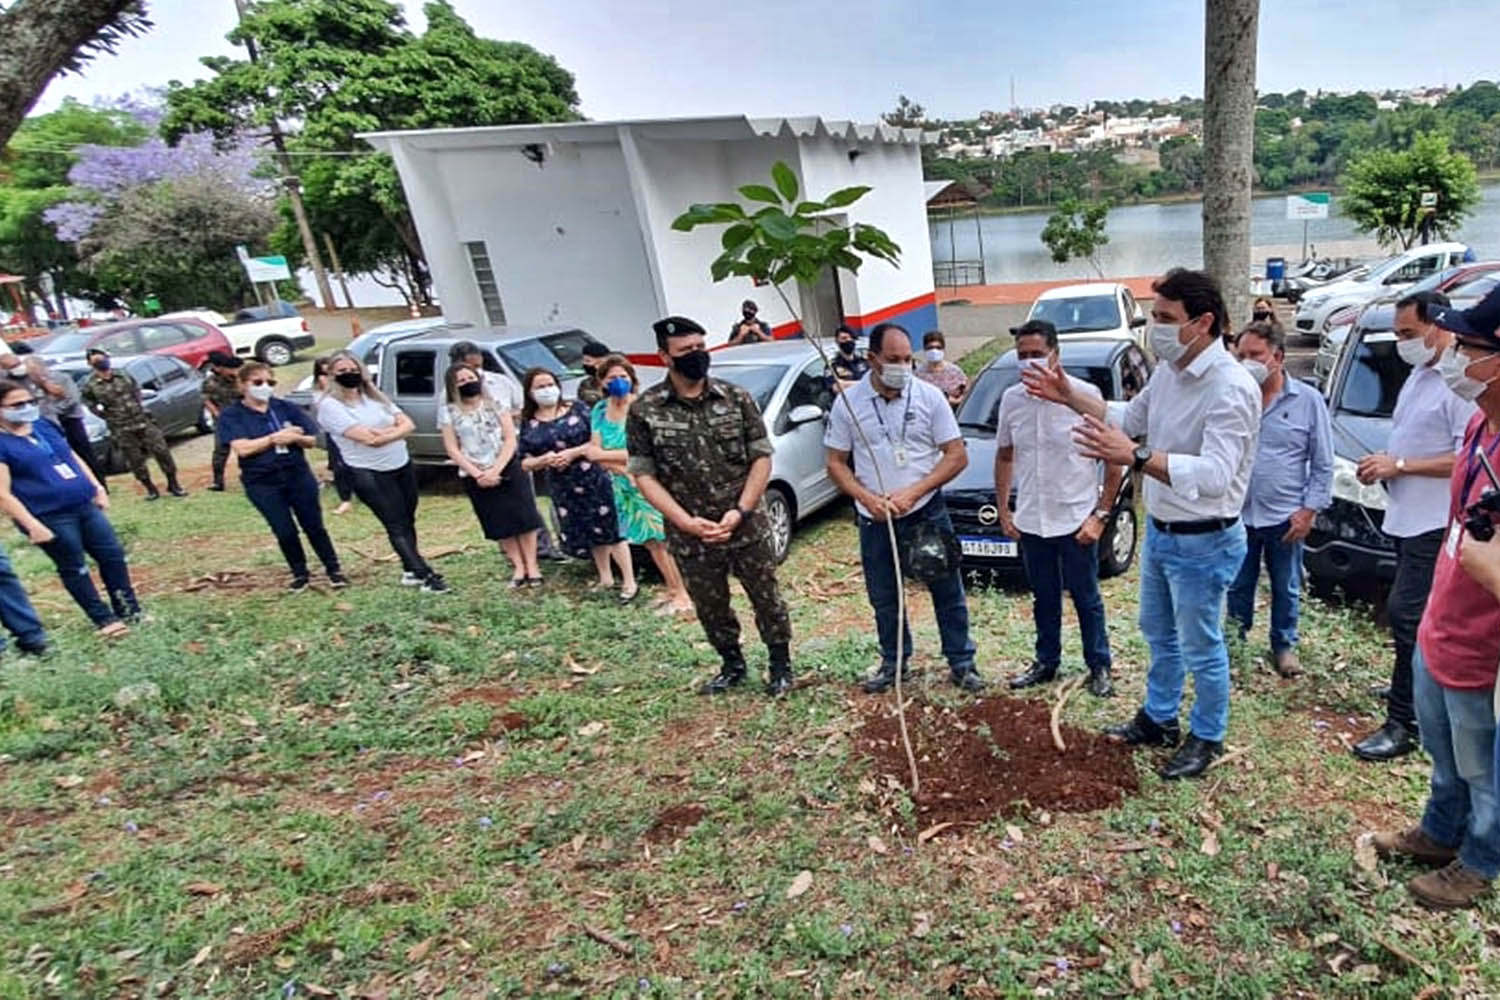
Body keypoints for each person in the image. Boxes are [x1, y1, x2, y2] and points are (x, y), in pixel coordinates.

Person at [1024, 268, 1260, 780]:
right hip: (1163, 533)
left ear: (1203, 322)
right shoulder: (1171, 372)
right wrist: (1068, 393)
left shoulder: (1231, 388)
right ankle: (1158, 717)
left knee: (1201, 643)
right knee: (1158, 632)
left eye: (1165, 318)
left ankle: (1207, 735)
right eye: (1153, 316)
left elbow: (1217, 475)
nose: (1154, 327)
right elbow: (1127, 416)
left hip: (1207, 539)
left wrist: (1136, 456)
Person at [1372, 284, 1500, 910]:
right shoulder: (1481, 424)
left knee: (1487, 765)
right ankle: (1440, 829)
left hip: (1486, 646)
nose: (1455, 357)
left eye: (1470, 347)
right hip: (1445, 621)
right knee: (1444, 747)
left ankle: (1480, 859)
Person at [627, 316, 794, 696]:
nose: (696, 356)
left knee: (766, 596)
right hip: (691, 531)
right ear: (664, 356)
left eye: (701, 348)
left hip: (745, 523)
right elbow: (644, 474)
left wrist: (741, 510)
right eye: (686, 351)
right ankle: (732, 664)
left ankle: (780, 665)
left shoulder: (736, 398)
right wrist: (685, 521)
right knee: (710, 603)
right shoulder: (646, 409)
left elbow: (762, 458)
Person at [826, 322, 986, 694]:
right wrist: (867, 498)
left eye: (907, 359)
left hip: (925, 511)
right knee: (884, 595)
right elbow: (835, 462)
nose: (902, 366)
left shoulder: (929, 397)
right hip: (874, 517)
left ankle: (962, 663)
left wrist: (915, 492)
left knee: (947, 590)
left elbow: (956, 455)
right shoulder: (849, 403)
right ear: (872, 359)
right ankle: (894, 663)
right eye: (893, 359)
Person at [1351, 290, 1476, 762]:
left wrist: (1399, 465)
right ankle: (1414, 696)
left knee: (1409, 616)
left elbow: (1465, 459)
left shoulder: (1459, 384)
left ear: (1440, 326)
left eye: (1409, 333)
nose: (1402, 342)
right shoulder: (1421, 375)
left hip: (1435, 523)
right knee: (1410, 618)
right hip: (1407, 519)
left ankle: (1406, 721)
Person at [996, 319, 1118, 698]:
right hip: (1033, 519)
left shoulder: (1085, 398)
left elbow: (1115, 460)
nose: (1029, 362)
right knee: (1044, 597)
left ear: (1056, 356)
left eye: (1037, 354)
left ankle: (1099, 666)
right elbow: (1004, 454)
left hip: (1076, 519)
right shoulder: (1011, 400)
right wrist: (1004, 509)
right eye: (1023, 356)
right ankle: (1046, 662)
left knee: (1086, 597)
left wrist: (1100, 514)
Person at [1226, 321, 1333, 678]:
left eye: (1255, 355)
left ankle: (1284, 646)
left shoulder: (1307, 402)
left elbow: (1322, 462)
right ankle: (1234, 642)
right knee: (1237, 582)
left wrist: (1309, 510)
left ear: (1278, 357)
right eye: (1240, 355)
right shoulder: (1233, 397)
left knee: (1286, 584)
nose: (1246, 362)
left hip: (1285, 517)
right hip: (1239, 514)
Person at [0, 377, 138, 639]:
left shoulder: (43, 426)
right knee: (74, 566)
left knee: (112, 556)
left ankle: (129, 610)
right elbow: (2, 493)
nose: (26, 407)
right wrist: (32, 526)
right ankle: (103, 619)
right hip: (49, 515)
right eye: (16, 405)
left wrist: (96, 487)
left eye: (30, 401)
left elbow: (71, 456)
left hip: (83, 505)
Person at [316, 351, 448, 593]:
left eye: (353, 369)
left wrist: (385, 434)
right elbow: (366, 439)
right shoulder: (330, 406)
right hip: (369, 472)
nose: (349, 375)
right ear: (331, 375)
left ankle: (409, 569)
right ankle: (425, 574)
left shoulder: (375, 397)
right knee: (395, 524)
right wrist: (391, 432)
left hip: (400, 463)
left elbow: (408, 424)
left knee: (408, 519)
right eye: (342, 371)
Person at [219, 362, 347, 592]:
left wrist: (294, 438)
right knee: (284, 529)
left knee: (314, 525)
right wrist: (274, 438)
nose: (264, 387)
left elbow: (313, 439)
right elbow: (243, 448)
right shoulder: (232, 415)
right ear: (242, 385)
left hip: (297, 474)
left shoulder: (285, 408)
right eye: (257, 383)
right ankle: (300, 573)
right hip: (262, 481)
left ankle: (333, 569)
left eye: (270, 382)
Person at [589, 355, 694, 615]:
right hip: (620, 486)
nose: (618, 382)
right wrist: (614, 461)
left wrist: (608, 456)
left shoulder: (642, 409)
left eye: (623, 377)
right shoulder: (599, 410)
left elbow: (642, 452)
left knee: (661, 539)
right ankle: (672, 589)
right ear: (601, 381)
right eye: (612, 378)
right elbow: (593, 450)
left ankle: (682, 593)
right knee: (648, 541)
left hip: (645, 483)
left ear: (632, 379)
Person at [518, 368, 635, 598]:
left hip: (593, 476)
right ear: (530, 393)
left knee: (611, 529)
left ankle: (629, 581)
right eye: (539, 387)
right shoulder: (529, 422)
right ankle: (605, 577)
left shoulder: (578, 409)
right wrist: (544, 460)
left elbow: (595, 441)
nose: (546, 390)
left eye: (549, 384)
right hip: (563, 484)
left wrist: (573, 453)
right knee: (588, 530)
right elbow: (524, 461)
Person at [439, 362, 543, 587]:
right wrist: (478, 473)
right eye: (462, 381)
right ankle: (518, 567)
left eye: (470, 378)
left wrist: (496, 469)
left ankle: (532, 565)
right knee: (498, 522)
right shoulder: (448, 412)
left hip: (508, 466)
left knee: (524, 517)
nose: (468, 383)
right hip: (475, 472)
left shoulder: (495, 404)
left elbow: (510, 438)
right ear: (453, 387)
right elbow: (452, 448)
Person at [80, 347, 186, 499]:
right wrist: (108, 416)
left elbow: (136, 390)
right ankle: (150, 488)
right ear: (90, 364)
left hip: (142, 420)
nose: (102, 363)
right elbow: (90, 404)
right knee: (135, 460)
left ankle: (173, 484)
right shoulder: (91, 385)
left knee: (162, 451)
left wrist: (137, 405)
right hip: (121, 427)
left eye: (103, 359)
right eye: (97, 361)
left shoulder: (122, 374)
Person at [2, 348, 98, 482]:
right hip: (33, 427)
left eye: (16, 365)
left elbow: (69, 398)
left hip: (58, 421)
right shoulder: (11, 383)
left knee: (74, 454)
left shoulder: (53, 379)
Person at [310, 356, 354, 515]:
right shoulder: (320, 391)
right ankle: (345, 500)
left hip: (352, 428)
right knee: (339, 466)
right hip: (335, 432)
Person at [202, 351, 244, 492]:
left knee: (244, 449)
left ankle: (248, 476)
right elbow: (206, 399)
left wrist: (237, 379)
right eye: (228, 369)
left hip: (240, 420)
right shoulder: (210, 382)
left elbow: (245, 394)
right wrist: (216, 413)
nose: (231, 372)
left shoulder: (239, 380)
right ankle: (218, 481)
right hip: (223, 422)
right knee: (220, 452)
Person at [448, 341, 522, 413]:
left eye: (477, 366)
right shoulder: (449, 393)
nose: (476, 371)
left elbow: (522, 408)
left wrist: (506, 417)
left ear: (481, 359)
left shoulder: (502, 381)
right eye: (469, 368)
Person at [914, 330, 968, 407]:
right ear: (925, 350)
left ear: (943, 349)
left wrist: (955, 401)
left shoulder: (955, 371)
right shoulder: (918, 374)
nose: (934, 351)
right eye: (930, 348)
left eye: (938, 347)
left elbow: (967, 393)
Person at [576, 342, 612, 407]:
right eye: (584, 360)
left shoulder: (618, 382)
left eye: (588, 361)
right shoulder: (586, 383)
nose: (584, 364)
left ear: (601, 363)